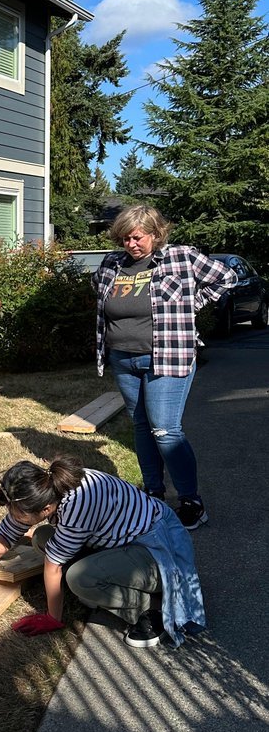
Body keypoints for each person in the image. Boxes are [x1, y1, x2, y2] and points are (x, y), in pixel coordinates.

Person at [0, 454, 206, 649]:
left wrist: (53, 617)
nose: (14, 518)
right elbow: (3, 538)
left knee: (79, 579)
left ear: (46, 509)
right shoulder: (45, 489)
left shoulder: (79, 505)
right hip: (123, 541)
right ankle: (107, 582)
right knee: (42, 537)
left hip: (158, 552)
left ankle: (151, 611)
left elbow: (53, 566)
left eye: (19, 514)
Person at [91, 204, 236, 530]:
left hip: (168, 357)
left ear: (155, 234)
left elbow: (227, 277)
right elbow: (98, 290)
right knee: (142, 427)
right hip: (123, 358)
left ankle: (191, 502)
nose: (131, 244)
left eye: (138, 237)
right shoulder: (112, 263)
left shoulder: (181, 257)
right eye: (125, 238)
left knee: (165, 430)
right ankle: (153, 495)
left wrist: (193, 303)